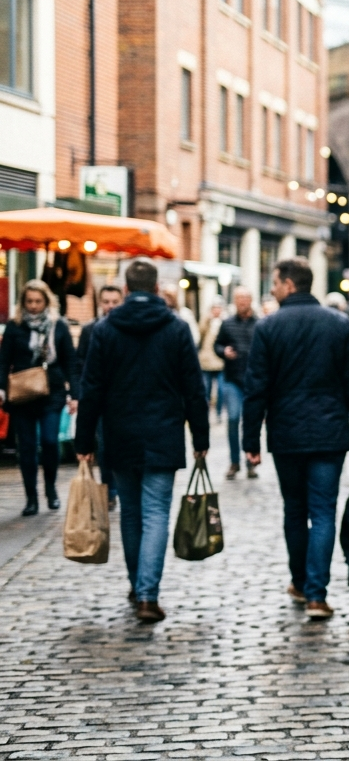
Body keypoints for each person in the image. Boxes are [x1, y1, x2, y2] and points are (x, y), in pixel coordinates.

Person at [74, 260, 210, 623]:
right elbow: (193, 389)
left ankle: (138, 586)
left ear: (126, 287)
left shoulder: (105, 330)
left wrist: (84, 439)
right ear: (155, 287)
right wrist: (200, 436)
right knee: (155, 514)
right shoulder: (176, 329)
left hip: (119, 434)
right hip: (163, 434)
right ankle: (148, 595)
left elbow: (92, 390)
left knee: (132, 515)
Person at [242, 258, 349, 619]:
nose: (271, 289)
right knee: (323, 512)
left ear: (288, 284)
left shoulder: (269, 327)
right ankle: (316, 594)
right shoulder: (338, 324)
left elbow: (256, 388)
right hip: (329, 433)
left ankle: (300, 582)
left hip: (286, 433)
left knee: (295, 511)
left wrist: (250, 441)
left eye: (274, 282)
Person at [0, 280, 78, 514]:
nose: (33, 306)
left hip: (52, 392)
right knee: (26, 447)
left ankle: (51, 488)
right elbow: (3, 361)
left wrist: (75, 393)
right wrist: (1, 388)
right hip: (23, 394)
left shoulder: (58, 326)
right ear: (23, 302)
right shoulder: (15, 327)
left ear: (46, 301)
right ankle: (31, 497)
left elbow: (70, 362)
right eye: (29, 301)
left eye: (38, 301)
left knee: (50, 441)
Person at [77, 284, 124, 506]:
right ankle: (110, 490)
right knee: (104, 446)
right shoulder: (90, 329)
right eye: (106, 302)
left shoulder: (126, 328)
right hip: (100, 399)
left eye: (115, 302)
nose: (110, 306)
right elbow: (80, 363)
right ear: (99, 303)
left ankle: (117, 487)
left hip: (121, 399)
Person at [214, 287, 258, 480]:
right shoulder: (227, 323)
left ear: (250, 300)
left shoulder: (261, 324)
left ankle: (251, 461)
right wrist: (224, 351)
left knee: (251, 422)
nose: (242, 302)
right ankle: (234, 462)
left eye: (245, 298)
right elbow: (217, 344)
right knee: (233, 419)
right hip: (232, 380)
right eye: (238, 298)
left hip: (254, 381)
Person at [197, 297, 225, 412]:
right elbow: (200, 335)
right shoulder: (206, 320)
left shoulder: (225, 321)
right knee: (206, 389)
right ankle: (205, 411)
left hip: (220, 361)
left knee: (221, 389)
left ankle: (219, 412)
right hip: (206, 360)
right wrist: (206, 321)